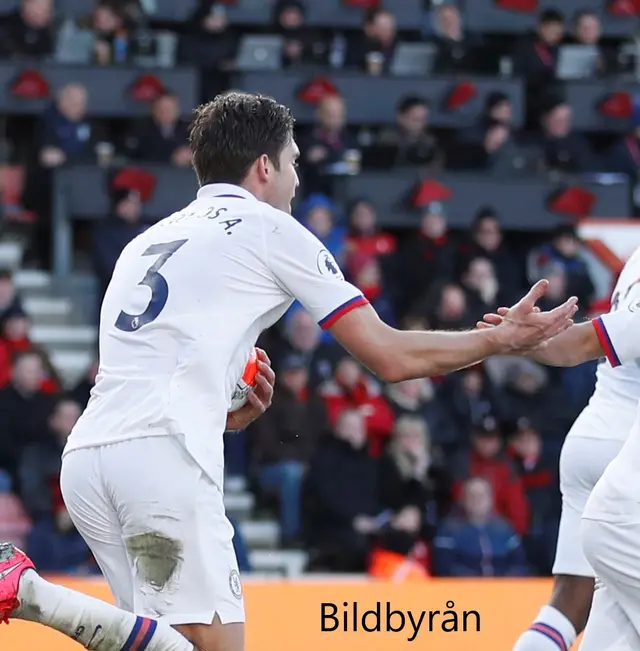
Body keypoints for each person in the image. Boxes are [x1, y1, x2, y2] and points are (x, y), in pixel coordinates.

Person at [0, 91, 577, 651]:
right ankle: (33, 595)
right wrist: (498, 339)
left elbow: (157, 359)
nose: (298, 181)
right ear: (264, 167)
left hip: (91, 459)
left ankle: (38, 597)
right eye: (294, 163)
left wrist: (223, 411)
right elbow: (390, 356)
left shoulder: (146, 240)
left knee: (159, 643)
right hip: (159, 459)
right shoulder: (270, 229)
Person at [479, 247, 640, 651]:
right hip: (628, 455)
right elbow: (582, 342)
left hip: (591, 436)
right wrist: (507, 338)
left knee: (570, 605)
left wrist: (502, 339)